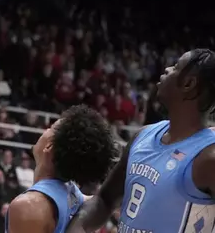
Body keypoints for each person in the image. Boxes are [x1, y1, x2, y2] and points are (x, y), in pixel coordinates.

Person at [66, 49, 215, 233]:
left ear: (189, 83)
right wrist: (78, 226)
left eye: (176, 67)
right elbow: (105, 199)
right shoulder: (142, 136)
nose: (167, 69)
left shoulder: (209, 156)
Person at [5, 105, 116, 233]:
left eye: (50, 128)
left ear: (49, 146)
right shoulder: (73, 193)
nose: (45, 130)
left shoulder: (29, 207)